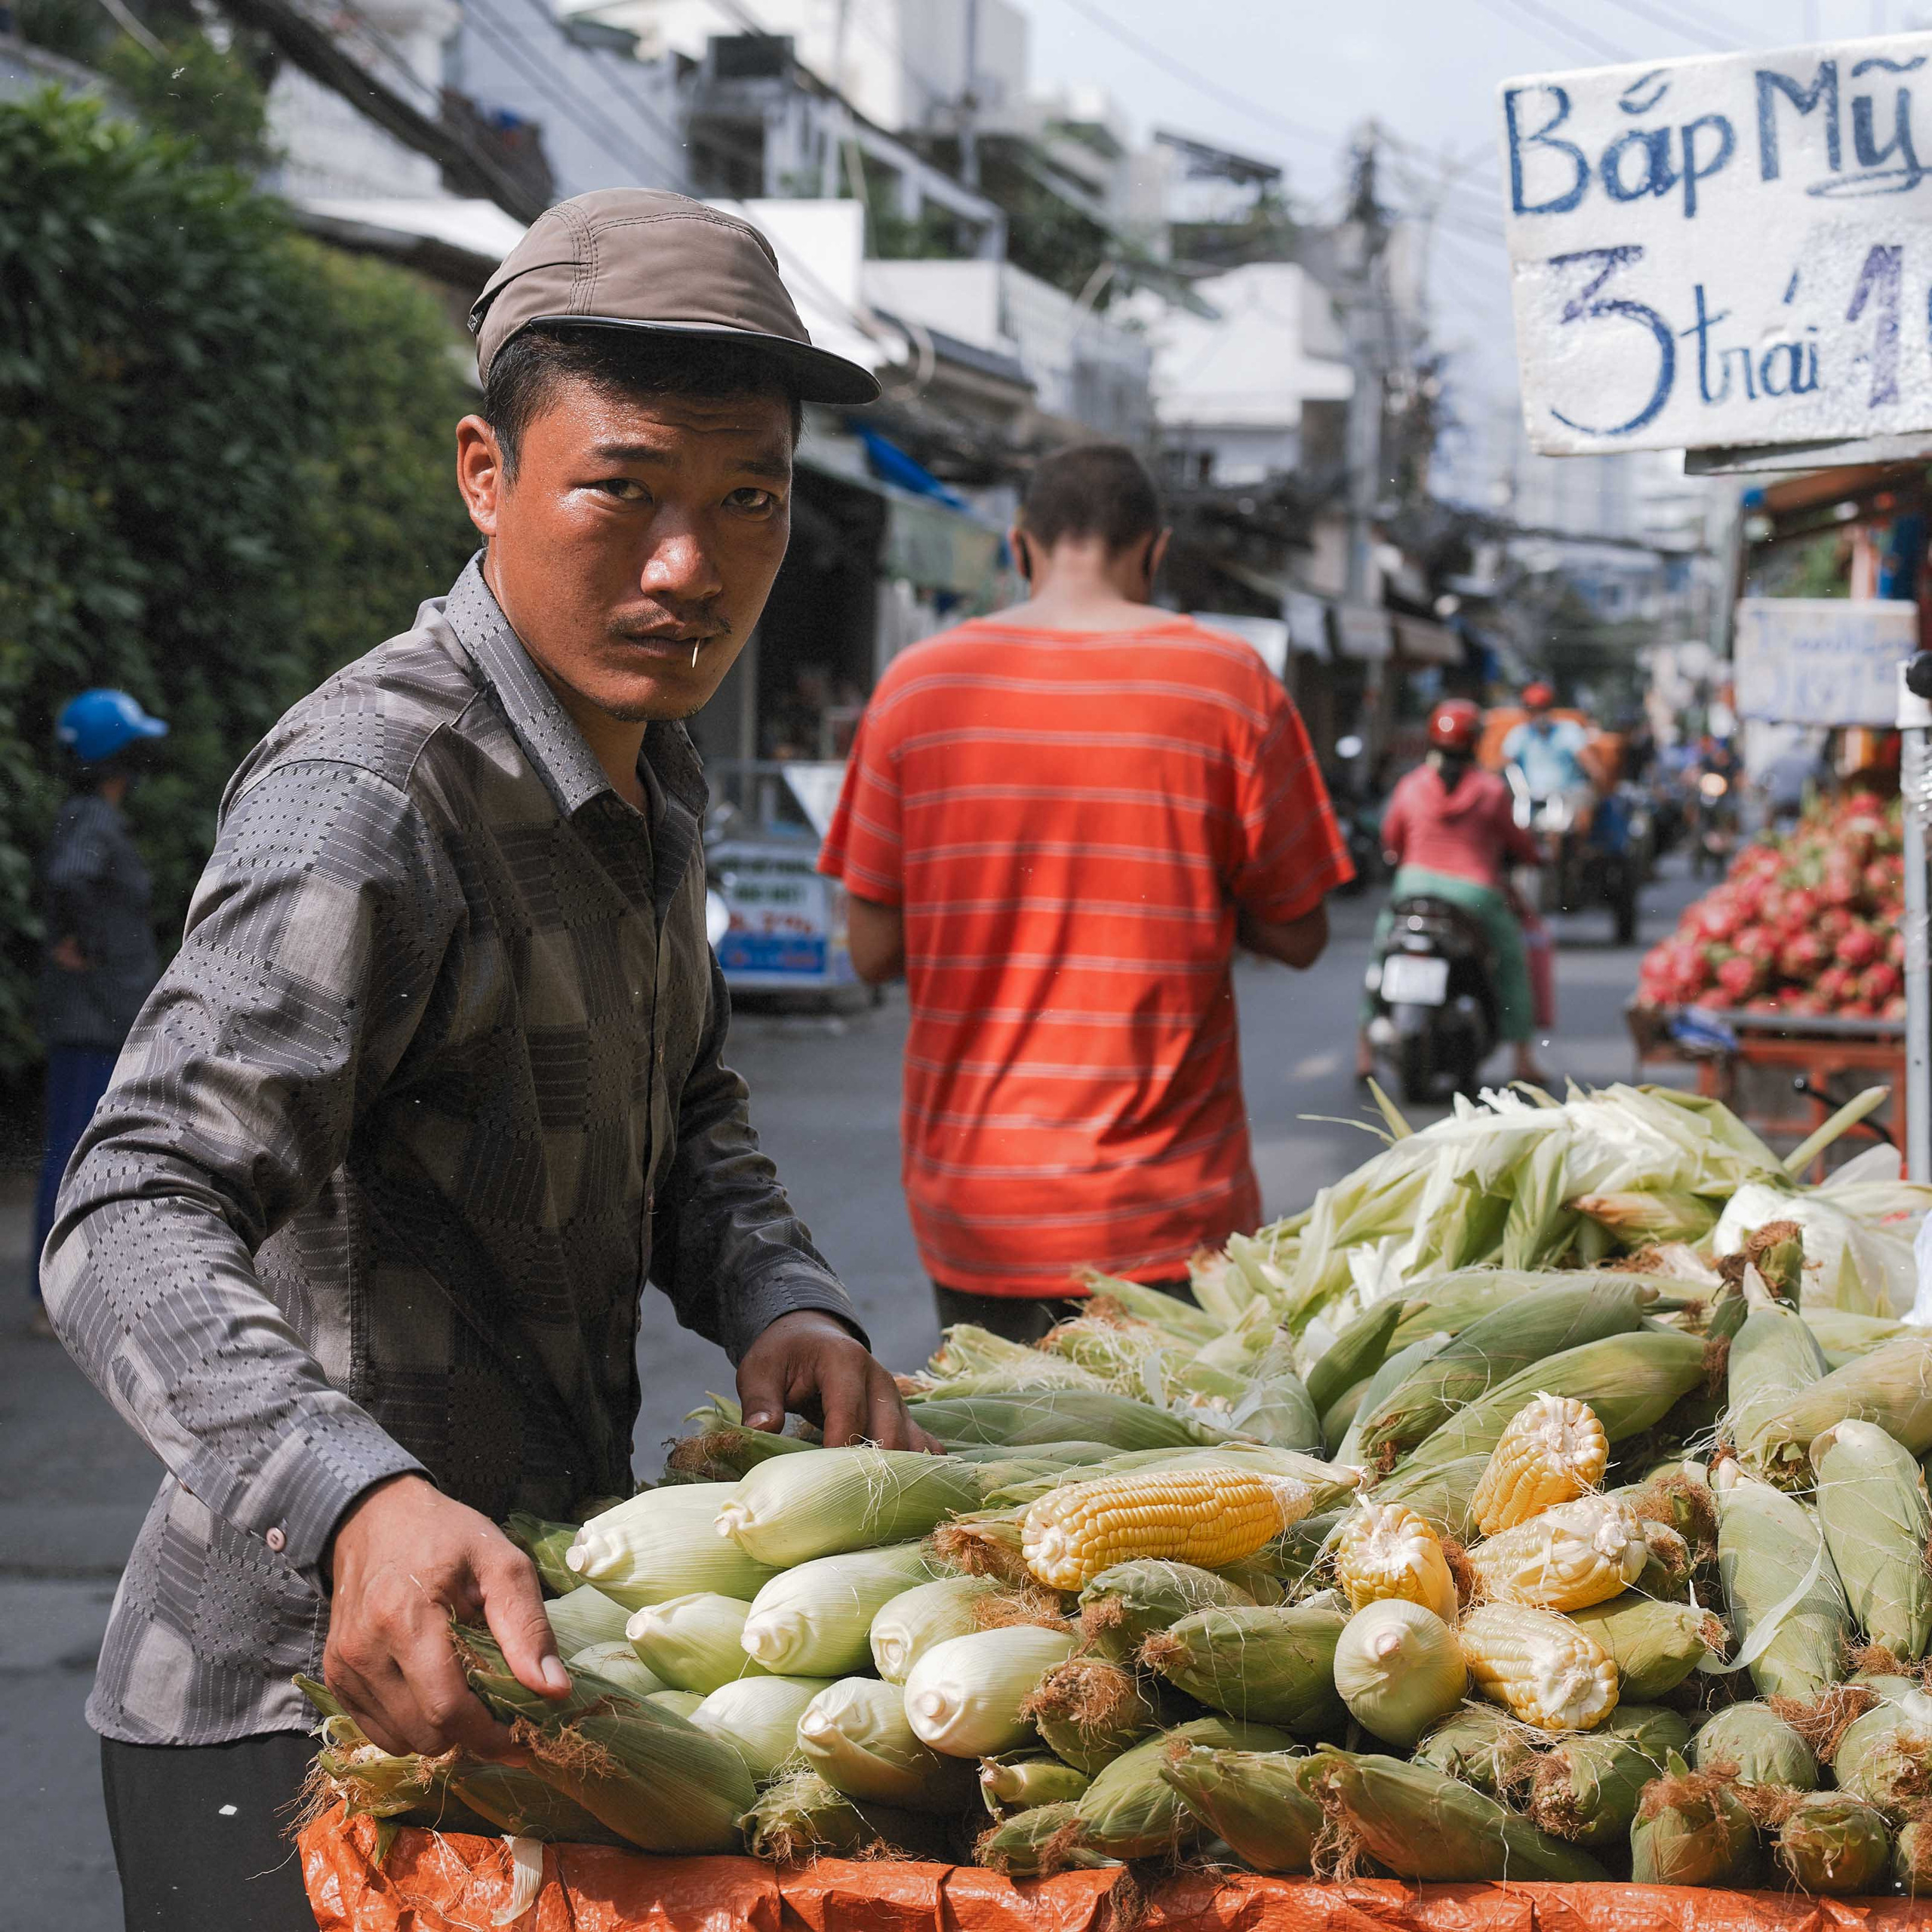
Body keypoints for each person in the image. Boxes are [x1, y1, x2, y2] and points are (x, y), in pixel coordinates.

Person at [42, 189, 931, 1932]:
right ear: (484, 473)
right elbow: (125, 1204)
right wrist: (353, 1490)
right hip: (292, 1705)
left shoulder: (650, 771)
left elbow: (677, 1109)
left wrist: (781, 1296)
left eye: (746, 498)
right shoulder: (375, 793)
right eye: (624, 488)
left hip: (530, 1660)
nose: (691, 565)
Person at [819, 443, 1353, 1343]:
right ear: (1155, 550)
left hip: (978, 1205)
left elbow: (870, 950)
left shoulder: (916, 687)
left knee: (1002, 1474)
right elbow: (1300, 933)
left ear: (1019, 548)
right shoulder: (1232, 685)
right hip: (1171, 1214)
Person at [28, 688, 168, 1339]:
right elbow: (69, 879)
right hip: (94, 1016)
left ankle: (67, 1289)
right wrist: (91, 947)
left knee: (84, 1150)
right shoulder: (93, 822)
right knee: (78, 1154)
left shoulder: (88, 814)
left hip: (98, 1012)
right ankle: (55, 1296)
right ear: (118, 754)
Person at [1357, 699, 1548, 1084]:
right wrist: (1532, 857)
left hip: (1411, 891)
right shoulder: (1491, 790)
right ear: (1475, 742)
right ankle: (1523, 1059)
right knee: (1512, 963)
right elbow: (1520, 844)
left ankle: (1364, 1053)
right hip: (1475, 896)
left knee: (1381, 958)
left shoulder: (1410, 786)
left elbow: (1390, 839)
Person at [1502, 681, 1590, 804]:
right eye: (1533, 709)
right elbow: (1504, 764)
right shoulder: (1519, 734)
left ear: (1550, 708)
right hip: (1529, 801)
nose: (1538, 714)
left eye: (1543, 708)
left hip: (1566, 799)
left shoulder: (1569, 730)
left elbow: (1590, 765)